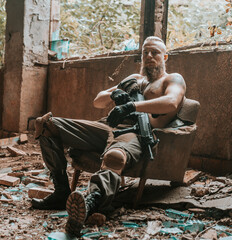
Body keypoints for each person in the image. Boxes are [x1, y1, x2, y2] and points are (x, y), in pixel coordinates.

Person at [31, 36, 186, 236]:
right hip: (106, 126)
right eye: (144, 53)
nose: (149, 56)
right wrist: (114, 95)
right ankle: (61, 191)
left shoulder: (172, 78)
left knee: (115, 158)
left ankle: (90, 202)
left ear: (165, 56)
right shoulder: (134, 79)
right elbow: (98, 101)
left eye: (155, 52)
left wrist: (131, 106)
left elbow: (172, 102)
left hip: (135, 131)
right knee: (45, 124)